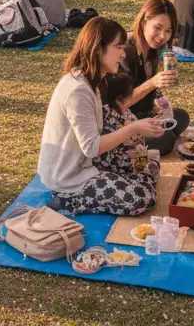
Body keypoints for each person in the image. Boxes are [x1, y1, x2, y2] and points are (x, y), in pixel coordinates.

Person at [38, 17, 164, 216]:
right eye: (118, 47)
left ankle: (136, 180)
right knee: (142, 197)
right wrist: (132, 128)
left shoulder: (91, 81)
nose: (123, 54)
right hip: (68, 177)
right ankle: (66, 201)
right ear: (98, 49)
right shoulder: (77, 90)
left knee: (150, 165)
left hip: (85, 164)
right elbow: (92, 148)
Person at [120, 0, 188, 155]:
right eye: (158, 28)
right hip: (123, 122)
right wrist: (152, 83)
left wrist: (159, 105)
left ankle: (157, 132)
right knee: (165, 140)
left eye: (168, 31)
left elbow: (149, 95)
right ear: (144, 22)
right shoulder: (124, 52)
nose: (162, 36)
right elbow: (119, 105)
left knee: (181, 117)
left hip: (143, 115)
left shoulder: (153, 50)